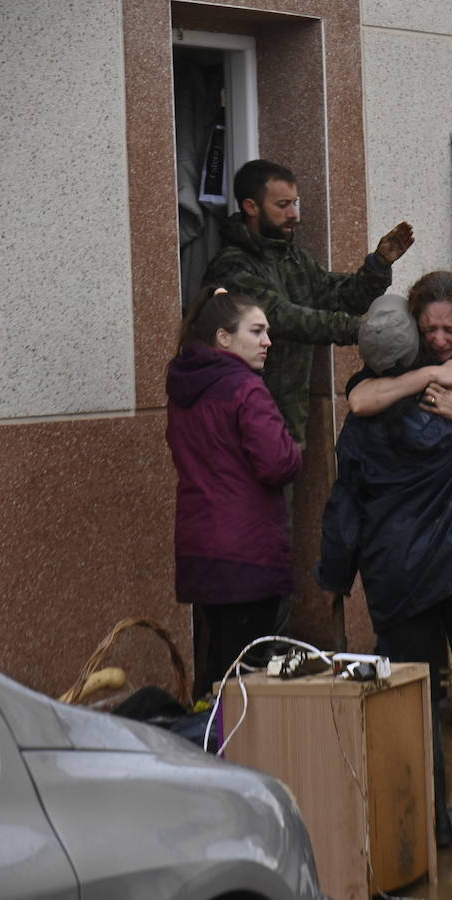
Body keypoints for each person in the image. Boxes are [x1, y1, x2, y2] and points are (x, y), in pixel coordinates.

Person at [316, 272, 452, 847]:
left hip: (399, 574)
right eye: (428, 329)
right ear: (412, 328)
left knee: (418, 693)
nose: (439, 339)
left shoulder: (370, 402)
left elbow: (345, 503)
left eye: (449, 329)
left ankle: (432, 824)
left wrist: (335, 576)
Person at [202, 158, 415, 447]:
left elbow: (342, 296)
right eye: (282, 205)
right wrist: (360, 330)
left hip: (288, 419)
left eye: (295, 203)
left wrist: (378, 264)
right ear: (251, 207)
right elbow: (282, 317)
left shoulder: (294, 259)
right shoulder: (232, 267)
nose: (294, 214)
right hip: (242, 418)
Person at [166, 287, 302, 697]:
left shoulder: (184, 388)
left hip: (203, 545)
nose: (268, 341)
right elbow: (278, 462)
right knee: (244, 681)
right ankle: (227, 755)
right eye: (257, 331)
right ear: (223, 337)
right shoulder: (246, 387)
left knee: (219, 663)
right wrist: (294, 448)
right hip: (247, 552)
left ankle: (206, 746)